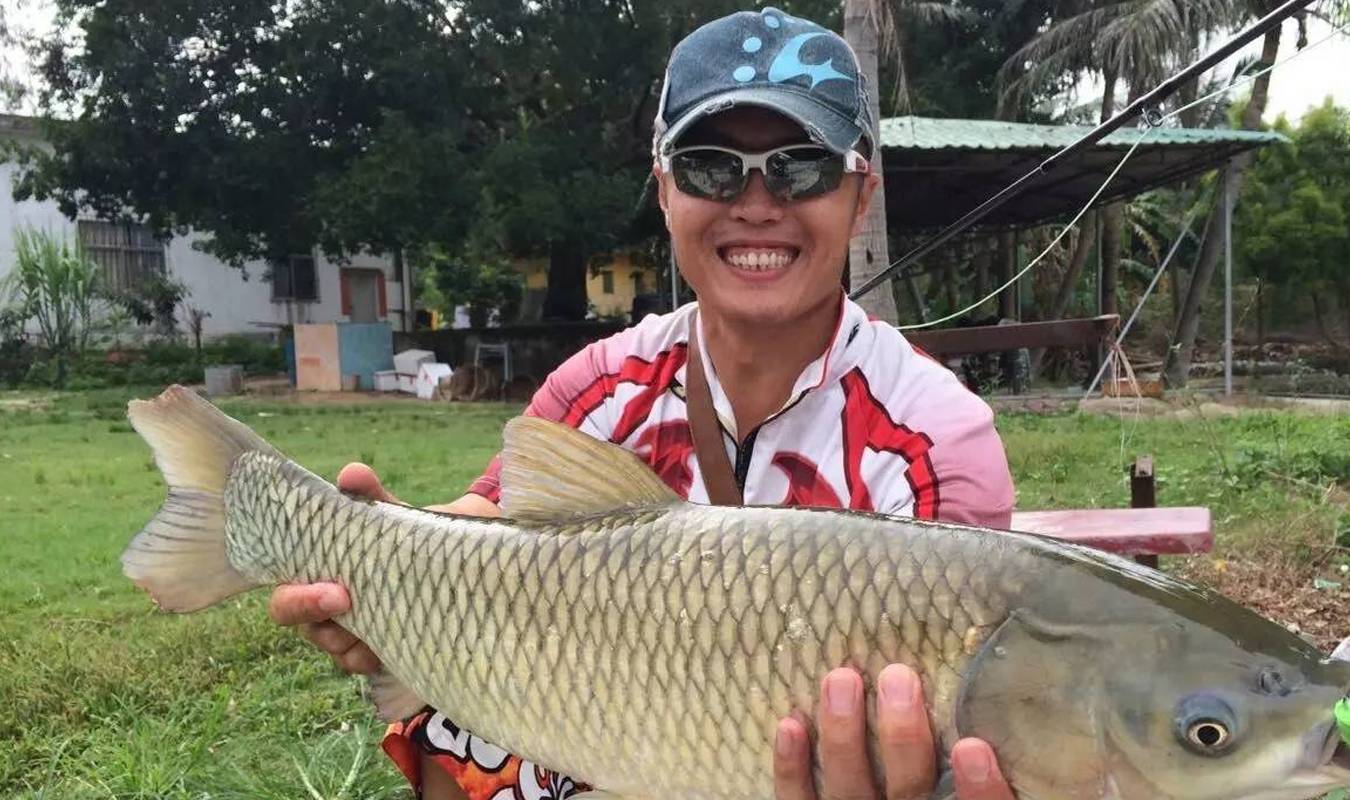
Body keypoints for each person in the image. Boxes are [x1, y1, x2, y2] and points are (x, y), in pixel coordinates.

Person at [270, 7, 1017, 800]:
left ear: (859, 195)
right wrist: (371, 563)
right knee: (452, 723)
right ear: (664, 192)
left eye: (802, 167)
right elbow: (484, 532)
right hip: (609, 728)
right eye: (709, 166)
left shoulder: (937, 439)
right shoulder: (599, 387)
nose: (756, 202)